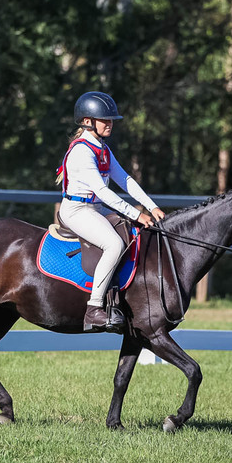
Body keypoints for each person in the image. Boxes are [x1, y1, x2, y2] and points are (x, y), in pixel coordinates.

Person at [56, 91, 166, 332]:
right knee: (114, 244)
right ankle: (94, 308)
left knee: (134, 233)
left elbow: (125, 180)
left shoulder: (102, 148)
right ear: (87, 121)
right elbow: (103, 191)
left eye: (111, 119)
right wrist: (136, 214)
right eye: (105, 119)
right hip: (76, 210)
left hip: (95, 207)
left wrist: (151, 206)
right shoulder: (82, 151)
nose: (110, 123)